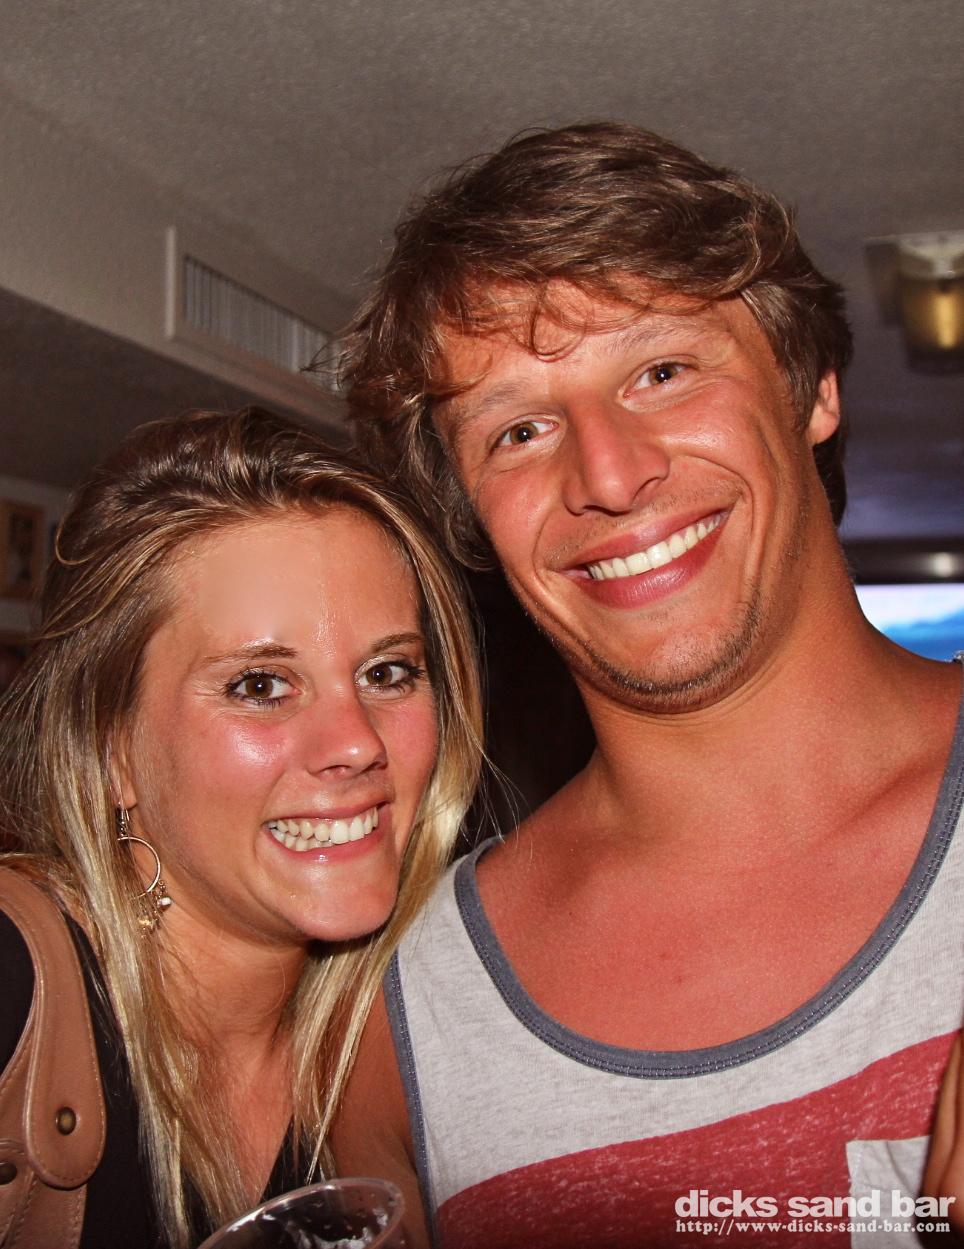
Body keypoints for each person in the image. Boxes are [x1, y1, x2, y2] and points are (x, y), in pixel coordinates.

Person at [331, 123, 964, 1246]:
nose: (610, 476)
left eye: (662, 372)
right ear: (472, 515)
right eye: (519, 429)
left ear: (811, 388)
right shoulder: (398, 1019)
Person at [0, 408, 482, 1248]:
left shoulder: (411, 1033)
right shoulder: (12, 987)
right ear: (113, 751)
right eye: (260, 684)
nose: (357, 742)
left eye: (387, 671)